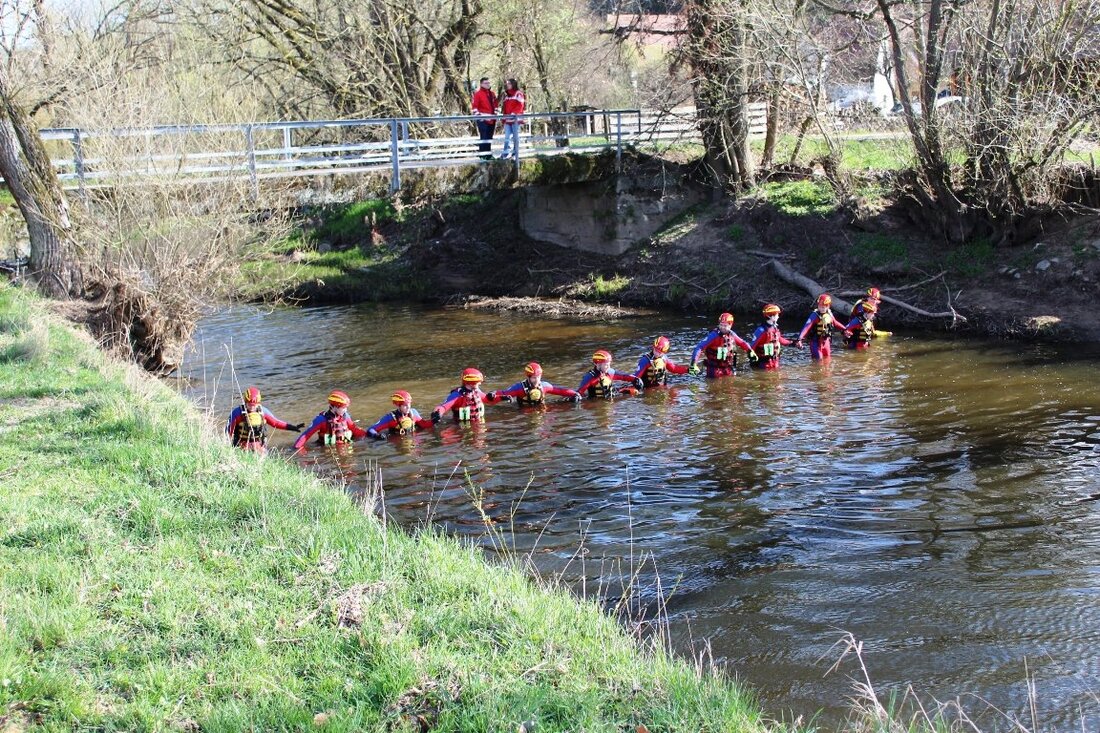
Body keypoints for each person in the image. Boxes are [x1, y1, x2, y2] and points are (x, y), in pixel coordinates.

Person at [225, 386, 303, 452]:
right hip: (242, 446)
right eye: (249, 404)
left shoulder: (263, 412)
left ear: (258, 403)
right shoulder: (237, 413)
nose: (252, 407)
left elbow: (275, 423)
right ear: (245, 402)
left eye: (254, 405)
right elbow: (229, 431)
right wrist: (227, 446)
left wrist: (293, 427)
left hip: (259, 446)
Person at [294, 390, 368, 449]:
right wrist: (297, 449)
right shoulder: (321, 420)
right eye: (343, 408)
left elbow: (354, 429)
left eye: (346, 407)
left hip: (345, 447)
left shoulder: (346, 416)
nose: (345, 410)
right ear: (333, 407)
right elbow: (306, 436)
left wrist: (368, 436)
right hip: (327, 449)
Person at [690, 313, 756, 378]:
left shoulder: (732, 334)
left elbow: (742, 343)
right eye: (721, 325)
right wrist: (694, 363)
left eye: (725, 326)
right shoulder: (713, 336)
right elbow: (699, 347)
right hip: (714, 369)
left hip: (727, 368)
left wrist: (750, 351)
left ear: (730, 325)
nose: (722, 327)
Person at [487, 361, 580, 406]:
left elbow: (560, 391)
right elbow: (504, 393)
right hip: (523, 412)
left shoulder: (544, 386)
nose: (537, 380)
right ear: (528, 377)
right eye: (534, 378)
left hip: (541, 410)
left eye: (538, 377)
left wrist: (575, 394)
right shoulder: (519, 388)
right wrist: (492, 393)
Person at [366, 390, 434, 440]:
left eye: (409, 404)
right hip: (398, 443)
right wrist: (377, 436)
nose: (408, 407)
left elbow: (424, 425)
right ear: (398, 406)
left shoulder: (413, 413)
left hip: (414, 443)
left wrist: (434, 420)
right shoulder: (390, 418)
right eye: (405, 405)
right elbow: (371, 429)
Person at [576, 350, 643, 399]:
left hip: (611, 396)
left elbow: (623, 376)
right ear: (598, 364)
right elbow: (580, 392)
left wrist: (635, 379)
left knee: (634, 392)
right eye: (606, 365)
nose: (609, 367)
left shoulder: (609, 372)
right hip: (596, 400)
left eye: (609, 364)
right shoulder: (590, 377)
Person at [795, 293, 843, 361]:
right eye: (820, 306)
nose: (821, 308)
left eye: (823, 307)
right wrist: (799, 339)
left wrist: (845, 329)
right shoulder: (814, 315)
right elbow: (806, 327)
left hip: (826, 341)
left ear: (828, 306)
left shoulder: (829, 313)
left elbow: (835, 323)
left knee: (828, 360)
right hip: (816, 342)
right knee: (818, 361)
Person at [750, 304, 794, 369]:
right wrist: (753, 361)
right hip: (763, 363)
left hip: (774, 361)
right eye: (777, 315)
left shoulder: (774, 328)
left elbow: (780, 339)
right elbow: (752, 347)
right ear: (770, 316)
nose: (778, 316)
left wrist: (792, 343)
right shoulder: (761, 330)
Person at [471, 77, 497, 158]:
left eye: (488, 83)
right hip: (483, 119)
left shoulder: (492, 94)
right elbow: (475, 107)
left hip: (492, 119)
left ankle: (488, 154)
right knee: (484, 137)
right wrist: (480, 117)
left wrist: (496, 114)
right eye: (486, 83)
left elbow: (495, 104)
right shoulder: (478, 94)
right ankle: (483, 155)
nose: (488, 84)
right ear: (481, 84)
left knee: (489, 137)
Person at [499, 78, 525, 159]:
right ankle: (505, 153)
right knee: (507, 137)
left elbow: (520, 105)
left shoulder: (518, 94)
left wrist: (513, 114)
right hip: (508, 119)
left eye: (509, 84)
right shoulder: (507, 95)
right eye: (507, 84)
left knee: (515, 137)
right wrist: (504, 117)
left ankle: (515, 153)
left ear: (513, 84)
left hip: (515, 119)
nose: (507, 85)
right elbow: (505, 108)